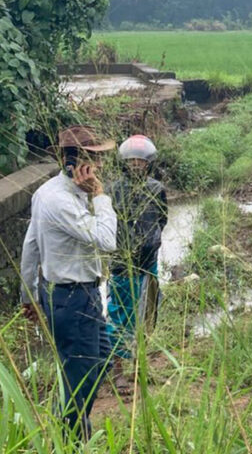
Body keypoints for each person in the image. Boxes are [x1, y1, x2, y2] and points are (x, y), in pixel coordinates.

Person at [20, 125, 117, 441]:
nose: (100, 168)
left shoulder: (47, 192)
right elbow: (106, 240)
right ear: (76, 164)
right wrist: (101, 198)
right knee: (81, 371)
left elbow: (30, 245)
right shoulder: (59, 200)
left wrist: (29, 295)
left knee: (99, 359)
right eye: (95, 160)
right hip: (73, 298)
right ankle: (72, 436)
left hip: (73, 295)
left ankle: (75, 424)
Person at [106, 135, 168, 392]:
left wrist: (149, 245)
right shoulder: (113, 190)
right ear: (124, 162)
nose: (136, 165)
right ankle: (118, 372)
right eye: (131, 161)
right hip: (122, 263)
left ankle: (141, 367)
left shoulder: (156, 189)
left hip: (148, 263)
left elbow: (162, 220)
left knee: (147, 313)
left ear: (148, 164)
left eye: (140, 162)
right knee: (119, 315)